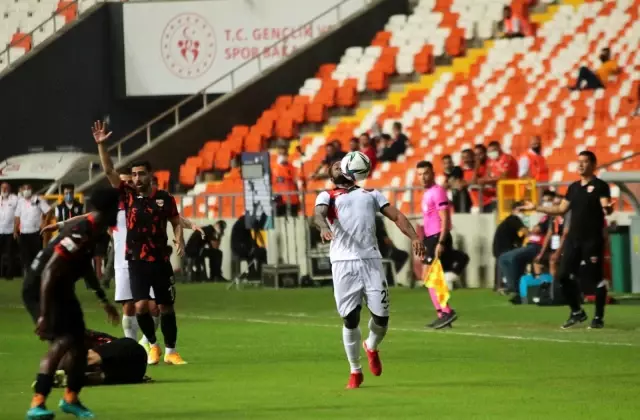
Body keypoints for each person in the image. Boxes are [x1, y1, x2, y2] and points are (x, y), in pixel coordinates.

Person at [314, 161, 424, 389]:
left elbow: (398, 216)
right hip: (343, 263)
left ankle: (371, 346)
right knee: (350, 318)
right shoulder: (327, 195)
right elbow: (318, 215)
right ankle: (355, 370)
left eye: (340, 164)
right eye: (335, 166)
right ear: (333, 175)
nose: (338, 166)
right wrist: (324, 227)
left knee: (382, 317)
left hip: (371, 261)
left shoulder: (371, 194)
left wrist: (414, 237)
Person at [93, 120, 187, 365]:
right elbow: (109, 171)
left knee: (166, 307)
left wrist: (179, 237)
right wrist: (102, 146)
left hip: (160, 259)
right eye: (133, 175)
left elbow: (176, 220)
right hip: (136, 259)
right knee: (142, 306)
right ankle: (153, 345)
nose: (136, 178)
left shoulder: (165, 198)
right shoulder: (127, 194)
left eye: (140, 174)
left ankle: (171, 351)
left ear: (150, 175)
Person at [23, 187, 121, 420]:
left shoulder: (95, 231)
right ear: (107, 209)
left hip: (61, 288)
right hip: (41, 288)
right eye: (117, 207)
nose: (120, 211)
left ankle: (70, 399)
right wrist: (44, 315)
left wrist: (103, 300)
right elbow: (49, 271)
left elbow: (84, 268)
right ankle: (37, 403)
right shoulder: (80, 231)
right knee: (63, 340)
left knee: (79, 342)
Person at [520, 150, 613, 329]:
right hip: (573, 239)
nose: (580, 165)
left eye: (585, 162)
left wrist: (608, 209)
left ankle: (599, 317)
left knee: (596, 279)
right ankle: (577, 312)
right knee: (562, 275)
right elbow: (561, 209)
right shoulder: (573, 188)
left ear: (593, 165)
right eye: (579, 161)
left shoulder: (601, 186)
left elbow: (605, 207)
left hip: (592, 239)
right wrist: (537, 207)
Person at [417, 161, 468, 329]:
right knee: (431, 277)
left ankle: (446, 312)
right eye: (419, 174)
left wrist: (441, 241)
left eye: (425, 173)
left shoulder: (437, 192)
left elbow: (445, 218)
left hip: (439, 237)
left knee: (429, 276)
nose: (422, 177)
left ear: (432, 173)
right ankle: (442, 314)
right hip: (431, 238)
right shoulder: (427, 193)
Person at [498, 190, 555, 303]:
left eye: (549, 201)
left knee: (513, 258)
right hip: (531, 245)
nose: (546, 204)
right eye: (544, 201)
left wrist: (535, 229)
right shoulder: (544, 217)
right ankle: (514, 287)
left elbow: (537, 229)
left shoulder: (551, 218)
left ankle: (515, 290)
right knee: (503, 258)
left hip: (537, 246)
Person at [55, 330, 148, 387]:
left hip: (132, 351)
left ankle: (57, 377)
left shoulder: (91, 340)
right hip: (134, 373)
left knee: (87, 360)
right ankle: (65, 379)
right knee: (90, 377)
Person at [15, 184, 53, 273]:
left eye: (28, 188)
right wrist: (15, 230)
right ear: (21, 191)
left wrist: (45, 222)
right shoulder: (20, 202)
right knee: (25, 255)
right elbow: (17, 217)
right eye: (24, 189)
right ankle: (27, 274)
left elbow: (49, 211)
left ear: (32, 190)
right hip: (24, 233)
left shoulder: (37, 199)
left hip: (36, 232)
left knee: (37, 255)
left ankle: (38, 273)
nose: (26, 190)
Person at [492, 201, 528, 292]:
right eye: (522, 210)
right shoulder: (514, 219)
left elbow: (518, 237)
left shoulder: (509, 221)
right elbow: (524, 231)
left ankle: (499, 285)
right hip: (504, 248)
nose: (523, 213)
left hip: (500, 247)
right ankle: (508, 285)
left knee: (501, 265)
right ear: (514, 210)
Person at [477, 141, 519, 212]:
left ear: (499, 149)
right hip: (497, 195)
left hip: (510, 193)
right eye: (489, 152)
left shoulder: (507, 158)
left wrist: (486, 181)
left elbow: (503, 177)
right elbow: (487, 175)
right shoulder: (491, 161)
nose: (491, 154)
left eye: (493, 151)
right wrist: (483, 180)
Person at [272, 143, 300, 216]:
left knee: (293, 223)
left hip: (293, 200)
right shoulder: (273, 168)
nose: (283, 156)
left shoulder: (292, 168)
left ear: (287, 155)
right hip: (280, 201)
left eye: (284, 154)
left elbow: (295, 183)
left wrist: (298, 199)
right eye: (281, 154)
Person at [0, 182, 18, 279]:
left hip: (10, 231)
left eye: (6, 188)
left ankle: (9, 275)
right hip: (0, 230)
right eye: (2, 188)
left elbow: (18, 214)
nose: (4, 190)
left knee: (10, 254)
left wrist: (16, 230)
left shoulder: (14, 199)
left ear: (9, 189)